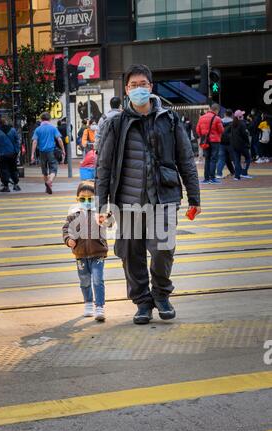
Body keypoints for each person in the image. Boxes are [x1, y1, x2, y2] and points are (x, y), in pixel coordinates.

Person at [96, 63, 201, 326]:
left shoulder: (169, 119)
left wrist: (194, 197)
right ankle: (143, 302)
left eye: (143, 84)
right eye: (133, 85)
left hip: (163, 198)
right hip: (127, 201)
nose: (138, 89)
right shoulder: (116, 123)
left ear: (151, 87)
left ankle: (161, 295)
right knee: (131, 255)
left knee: (163, 250)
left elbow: (185, 159)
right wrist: (102, 203)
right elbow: (104, 165)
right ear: (127, 89)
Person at [62, 182, 109, 322]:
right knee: (85, 281)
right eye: (83, 199)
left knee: (97, 280)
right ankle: (88, 303)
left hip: (98, 253)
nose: (87, 202)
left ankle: (99, 306)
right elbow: (66, 230)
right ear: (77, 199)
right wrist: (68, 239)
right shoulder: (73, 216)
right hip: (81, 255)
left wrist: (106, 219)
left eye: (91, 199)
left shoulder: (99, 214)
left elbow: (110, 223)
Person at [31, 112, 66, 194]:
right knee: (53, 169)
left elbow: (35, 142)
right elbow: (59, 139)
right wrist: (63, 150)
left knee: (44, 171)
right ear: (49, 119)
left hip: (42, 152)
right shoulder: (53, 128)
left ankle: (47, 187)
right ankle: (49, 181)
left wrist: (32, 154)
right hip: (51, 152)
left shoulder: (38, 129)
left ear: (41, 119)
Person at [196, 103, 224, 184]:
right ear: (216, 110)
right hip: (215, 141)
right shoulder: (217, 118)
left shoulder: (201, 118)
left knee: (207, 159)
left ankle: (206, 178)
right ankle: (212, 178)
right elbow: (221, 130)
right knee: (213, 159)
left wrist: (203, 135)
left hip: (206, 141)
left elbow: (198, 130)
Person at [0, 117, 20, 193]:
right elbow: (17, 141)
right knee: (13, 169)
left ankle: (6, 186)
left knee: (3, 170)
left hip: (1, 154)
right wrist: (16, 151)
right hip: (12, 153)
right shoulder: (13, 130)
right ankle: (16, 184)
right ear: (6, 122)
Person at [230, 110, 252, 180]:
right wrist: (248, 143)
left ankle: (237, 176)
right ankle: (244, 173)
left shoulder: (233, 124)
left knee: (237, 160)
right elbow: (245, 135)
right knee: (248, 158)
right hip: (242, 145)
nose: (243, 116)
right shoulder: (242, 124)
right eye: (242, 115)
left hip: (234, 145)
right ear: (240, 116)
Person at [216, 109, 235, 179]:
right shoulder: (233, 122)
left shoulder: (220, 121)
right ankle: (237, 173)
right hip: (231, 143)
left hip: (221, 142)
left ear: (224, 114)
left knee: (221, 159)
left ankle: (218, 174)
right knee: (234, 158)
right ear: (232, 115)